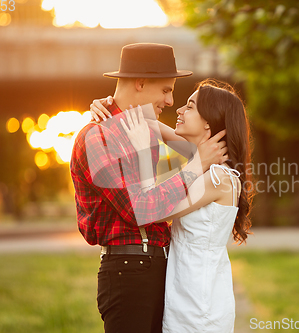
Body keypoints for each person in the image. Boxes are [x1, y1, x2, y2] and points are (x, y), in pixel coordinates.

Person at [70, 43, 228, 333]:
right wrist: (195, 167)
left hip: (154, 268)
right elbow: (140, 209)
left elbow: (202, 151)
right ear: (140, 83)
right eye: (166, 90)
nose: (170, 102)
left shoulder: (142, 128)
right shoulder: (99, 137)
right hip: (129, 270)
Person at [90, 79, 253, 332]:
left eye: (189, 106)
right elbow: (141, 120)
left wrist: (144, 152)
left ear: (208, 122)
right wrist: (108, 106)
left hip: (198, 303)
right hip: (186, 292)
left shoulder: (217, 177)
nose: (177, 109)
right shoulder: (204, 162)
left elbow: (153, 212)